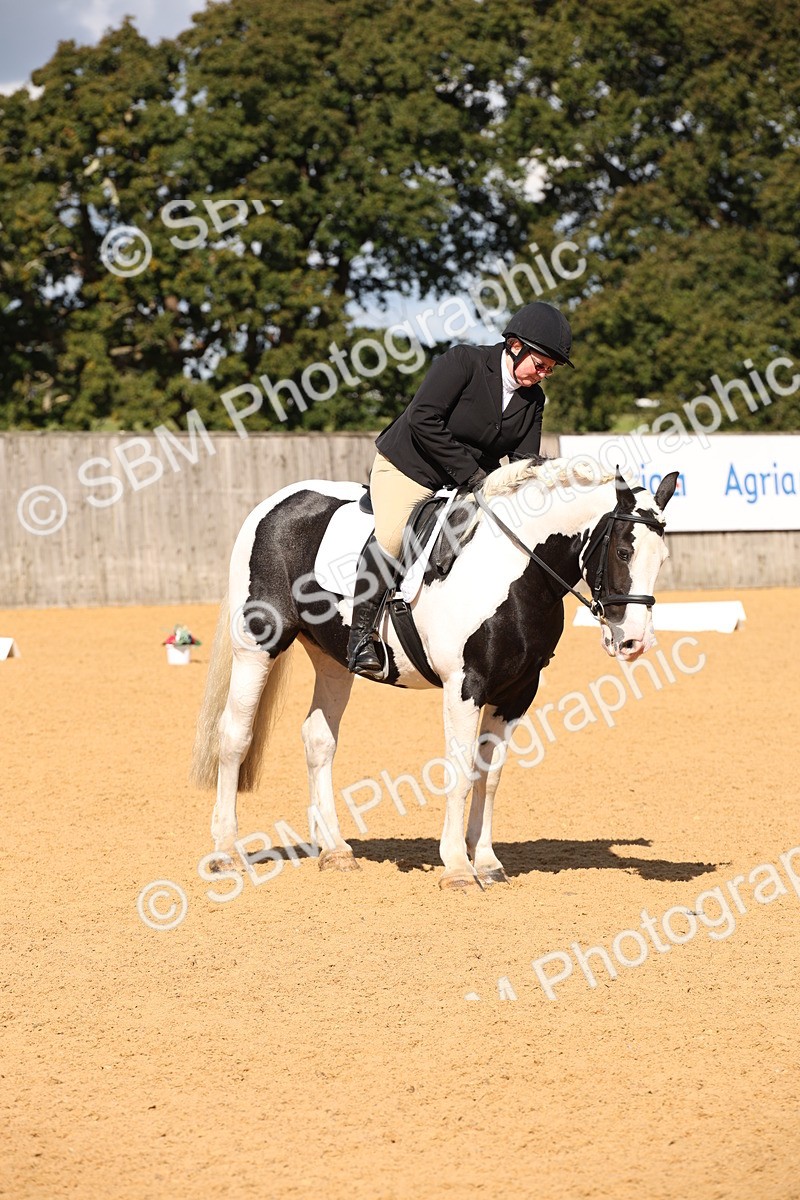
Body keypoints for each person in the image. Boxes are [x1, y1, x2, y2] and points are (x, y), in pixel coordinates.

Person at [346, 300, 575, 677]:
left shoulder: (534, 400)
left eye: (550, 369)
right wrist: (473, 475)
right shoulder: (463, 362)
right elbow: (423, 418)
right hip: (409, 466)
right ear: (515, 346)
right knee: (390, 538)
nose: (544, 374)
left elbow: (522, 459)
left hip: (469, 479)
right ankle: (361, 636)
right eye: (541, 365)